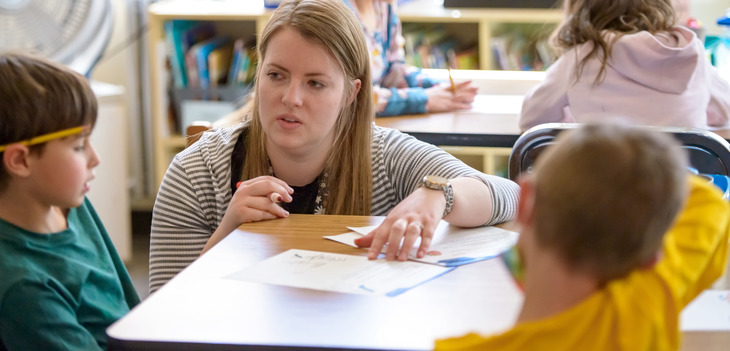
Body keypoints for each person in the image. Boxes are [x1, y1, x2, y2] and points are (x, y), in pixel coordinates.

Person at [149, 0, 519, 293]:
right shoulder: (197, 170)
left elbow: (509, 195)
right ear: (258, 75)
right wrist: (228, 233)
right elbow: (162, 318)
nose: (291, 98)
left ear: (351, 94)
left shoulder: (384, 155)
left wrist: (437, 195)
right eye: (276, 75)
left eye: (315, 83)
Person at [435, 122, 730, 350]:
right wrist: (645, 174)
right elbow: (711, 205)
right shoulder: (647, 303)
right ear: (653, 257)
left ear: (524, 202)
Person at [0, 51, 140, 350]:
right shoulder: (22, 287)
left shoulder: (71, 205)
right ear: (20, 160)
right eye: (79, 146)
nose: (95, 158)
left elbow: (132, 313)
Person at [519, 0, 730, 132]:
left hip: (607, 194)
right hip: (685, 195)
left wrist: (576, 118)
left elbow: (532, 119)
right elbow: (726, 114)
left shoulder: (581, 57)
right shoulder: (691, 54)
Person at [342, 0, 478, 117]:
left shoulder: (384, 5)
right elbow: (349, 97)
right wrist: (423, 99)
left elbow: (393, 69)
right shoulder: (335, 12)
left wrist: (432, 85)